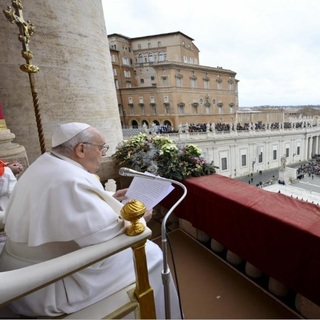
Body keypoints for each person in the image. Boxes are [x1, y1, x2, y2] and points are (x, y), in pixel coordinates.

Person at [0, 122, 181, 318]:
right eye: (101, 148)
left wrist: (110, 198)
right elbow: (107, 236)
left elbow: (65, 209)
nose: (103, 154)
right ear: (81, 149)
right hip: (48, 285)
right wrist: (140, 218)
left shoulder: (46, 163)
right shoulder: (70, 179)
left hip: (18, 264)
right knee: (152, 254)